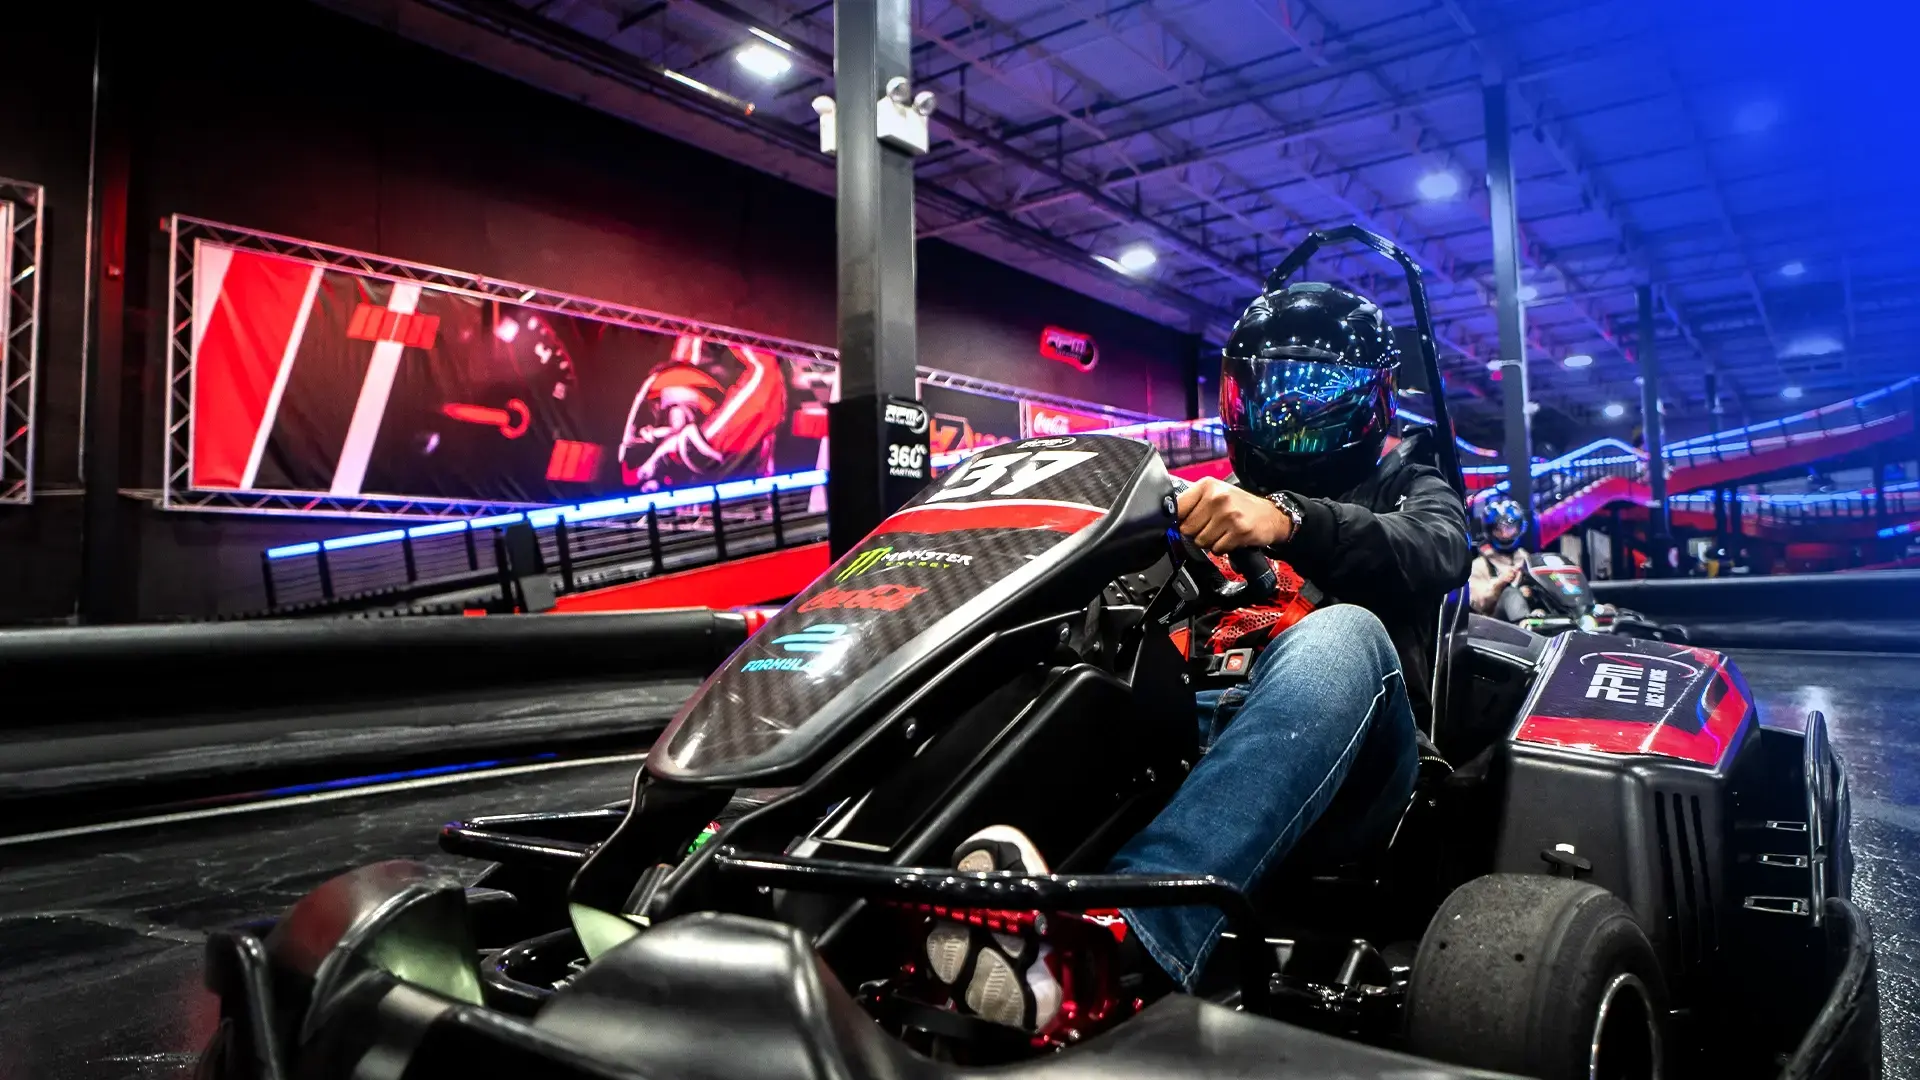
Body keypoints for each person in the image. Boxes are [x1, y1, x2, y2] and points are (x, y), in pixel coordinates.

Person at [921, 282, 1471, 1032]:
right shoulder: (1203, 500)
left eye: (1313, 389)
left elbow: (1440, 551)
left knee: (1344, 631)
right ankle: (902, 883)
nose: (1286, 412)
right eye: (1271, 389)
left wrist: (1287, 520)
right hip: (1191, 733)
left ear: (1371, 399)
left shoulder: (1407, 484)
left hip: (1355, 763)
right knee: (1068, 657)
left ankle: (1127, 944)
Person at [1468, 497, 1530, 620]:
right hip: (1495, 627)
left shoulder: (1527, 559)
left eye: (1509, 528)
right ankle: (1525, 627)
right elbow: (1476, 603)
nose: (1505, 534)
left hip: (1532, 616)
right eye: (1499, 529)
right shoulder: (1479, 565)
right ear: (1489, 531)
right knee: (1510, 593)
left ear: (1519, 529)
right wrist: (1499, 585)